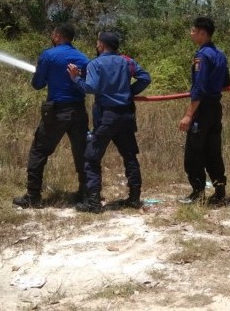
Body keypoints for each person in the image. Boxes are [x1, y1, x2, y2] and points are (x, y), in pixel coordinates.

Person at [67, 32, 151, 213]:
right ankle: (135, 199)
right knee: (130, 157)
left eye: (97, 42)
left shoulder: (95, 64)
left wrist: (76, 78)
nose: (96, 45)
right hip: (127, 116)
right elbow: (145, 78)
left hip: (107, 117)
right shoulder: (127, 61)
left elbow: (91, 87)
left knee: (91, 158)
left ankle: (93, 203)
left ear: (102, 45)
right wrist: (129, 92)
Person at [13, 23, 89, 209]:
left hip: (56, 111)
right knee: (82, 152)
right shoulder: (83, 58)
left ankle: (33, 196)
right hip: (78, 110)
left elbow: (37, 84)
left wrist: (43, 73)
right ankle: (86, 194)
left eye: (53, 33)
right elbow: (86, 83)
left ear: (57, 35)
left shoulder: (48, 55)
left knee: (39, 151)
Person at [178, 17, 230, 205]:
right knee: (213, 151)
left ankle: (197, 192)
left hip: (202, 109)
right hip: (215, 109)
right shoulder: (220, 55)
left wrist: (188, 115)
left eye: (193, 30)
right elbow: (226, 83)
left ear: (202, 33)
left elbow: (199, 89)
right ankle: (219, 192)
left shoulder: (202, 56)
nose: (191, 33)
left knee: (194, 152)